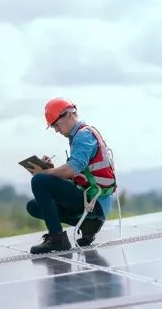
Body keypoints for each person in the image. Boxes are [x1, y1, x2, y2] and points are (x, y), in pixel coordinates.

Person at [24, 97, 117, 254]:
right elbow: (78, 173)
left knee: (39, 180)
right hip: (90, 198)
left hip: (95, 201)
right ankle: (87, 225)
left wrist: (44, 173)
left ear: (69, 115)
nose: (56, 130)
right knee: (33, 206)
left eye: (57, 125)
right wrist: (51, 170)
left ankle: (57, 239)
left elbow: (71, 170)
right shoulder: (79, 136)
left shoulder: (84, 136)